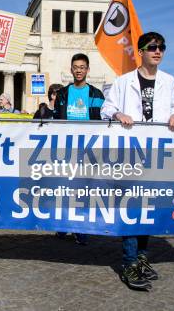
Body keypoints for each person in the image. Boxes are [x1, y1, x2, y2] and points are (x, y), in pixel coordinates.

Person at [101, 31, 174, 291]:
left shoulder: (168, 81)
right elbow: (105, 110)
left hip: (156, 154)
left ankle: (142, 258)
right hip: (130, 153)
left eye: (162, 47)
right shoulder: (124, 81)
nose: (158, 51)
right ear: (141, 52)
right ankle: (129, 262)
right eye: (152, 47)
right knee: (132, 207)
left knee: (148, 207)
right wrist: (118, 112)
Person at [53, 53, 105, 245]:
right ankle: (64, 225)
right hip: (67, 148)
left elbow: (101, 121)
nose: (79, 70)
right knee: (65, 188)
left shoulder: (97, 94)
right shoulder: (63, 93)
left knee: (84, 190)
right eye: (75, 67)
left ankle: (80, 227)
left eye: (82, 67)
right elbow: (57, 119)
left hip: (88, 150)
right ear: (71, 70)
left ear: (87, 70)